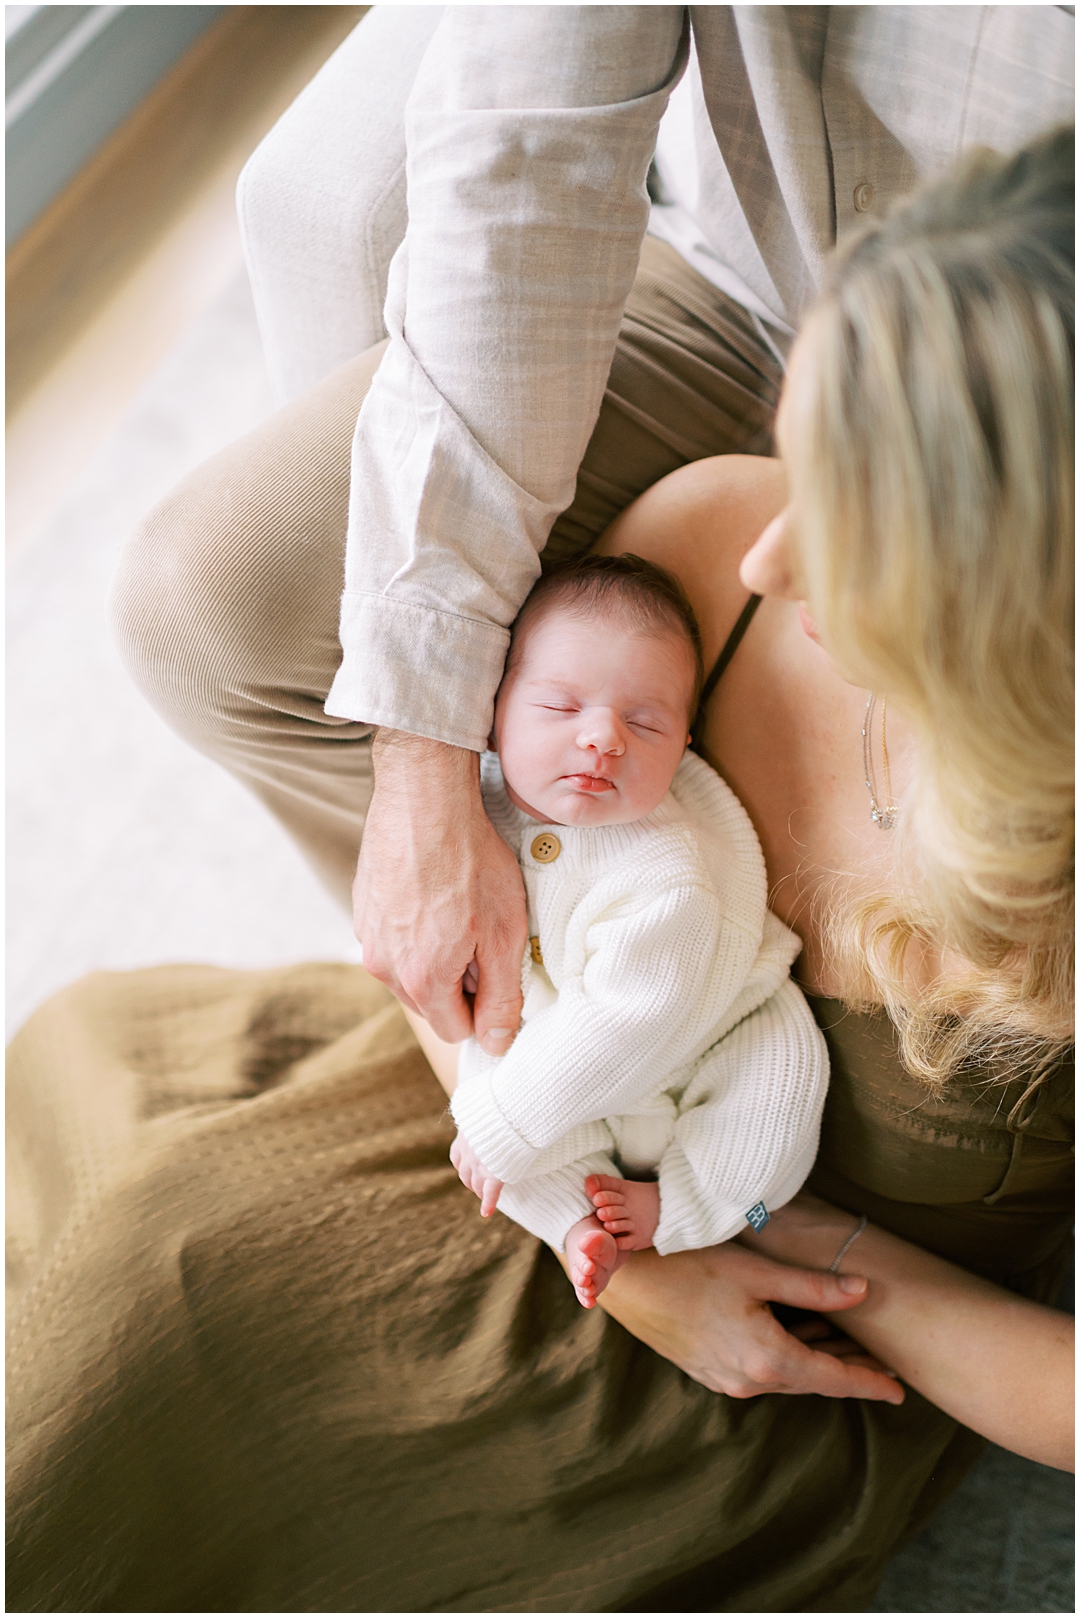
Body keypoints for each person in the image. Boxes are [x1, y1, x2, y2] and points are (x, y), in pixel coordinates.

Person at [6, 14, 1072, 1613]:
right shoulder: (718, 543)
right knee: (139, 1261)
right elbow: (505, 899)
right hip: (557, 1164)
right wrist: (621, 1244)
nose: (773, 561)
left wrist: (795, 1268)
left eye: (847, 523)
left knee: (139, 1414)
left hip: (774, 1351)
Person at [426, 554, 827, 1307]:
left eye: (646, 724)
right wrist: (500, 1118)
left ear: (682, 749)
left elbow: (629, 1016)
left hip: (707, 1033)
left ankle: (681, 1210)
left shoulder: (665, 871)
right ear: (495, 707)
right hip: (556, 1033)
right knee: (482, 1088)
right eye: (559, 707)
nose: (604, 738)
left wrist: (508, 1120)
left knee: (781, 1090)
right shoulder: (469, 805)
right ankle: (576, 1226)